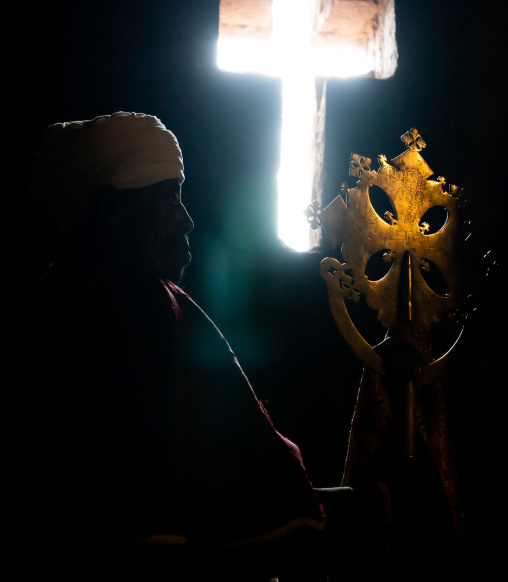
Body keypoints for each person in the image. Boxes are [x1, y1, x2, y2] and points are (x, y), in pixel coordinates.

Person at [26, 112, 387, 577]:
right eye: (169, 197)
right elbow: (151, 487)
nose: (187, 219)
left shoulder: (72, 288)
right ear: (114, 208)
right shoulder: (126, 302)